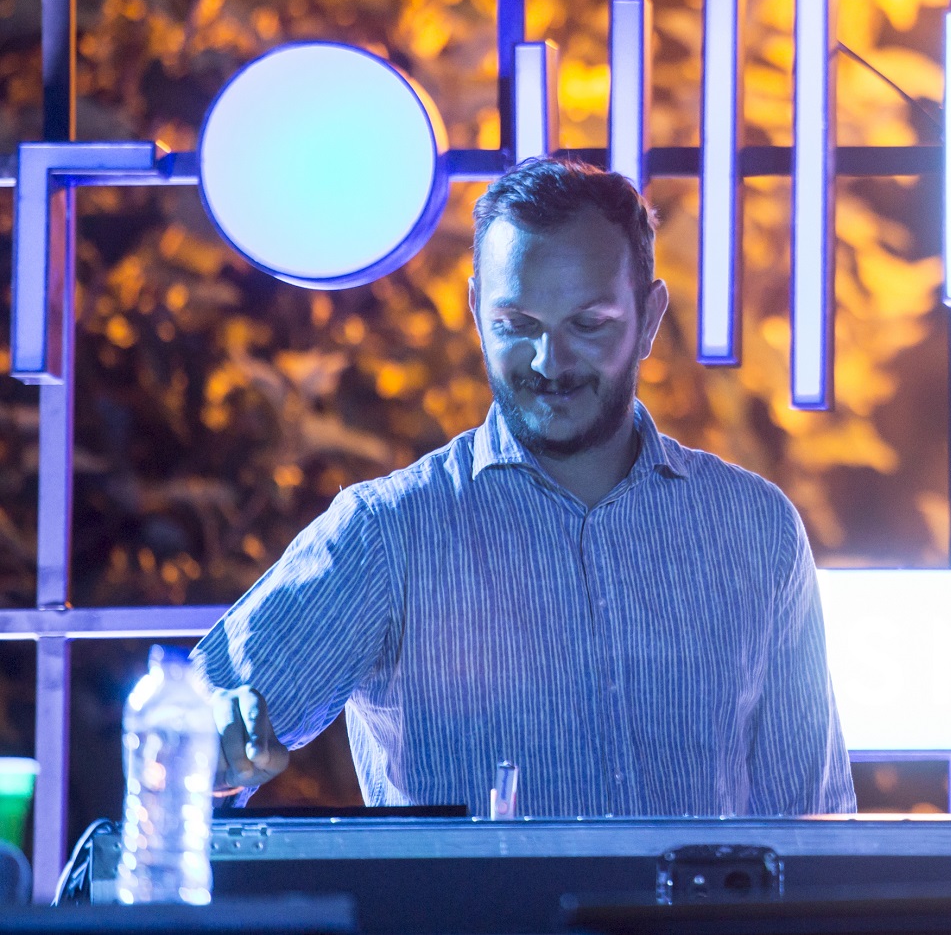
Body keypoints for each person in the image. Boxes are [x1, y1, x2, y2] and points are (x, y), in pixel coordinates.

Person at [195, 157, 856, 817]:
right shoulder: (387, 533)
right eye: (518, 325)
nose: (550, 362)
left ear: (650, 318)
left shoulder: (754, 528)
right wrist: (216, 743)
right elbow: (188, 729)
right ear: (478, 313)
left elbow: (816, 826)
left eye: (588, 324)